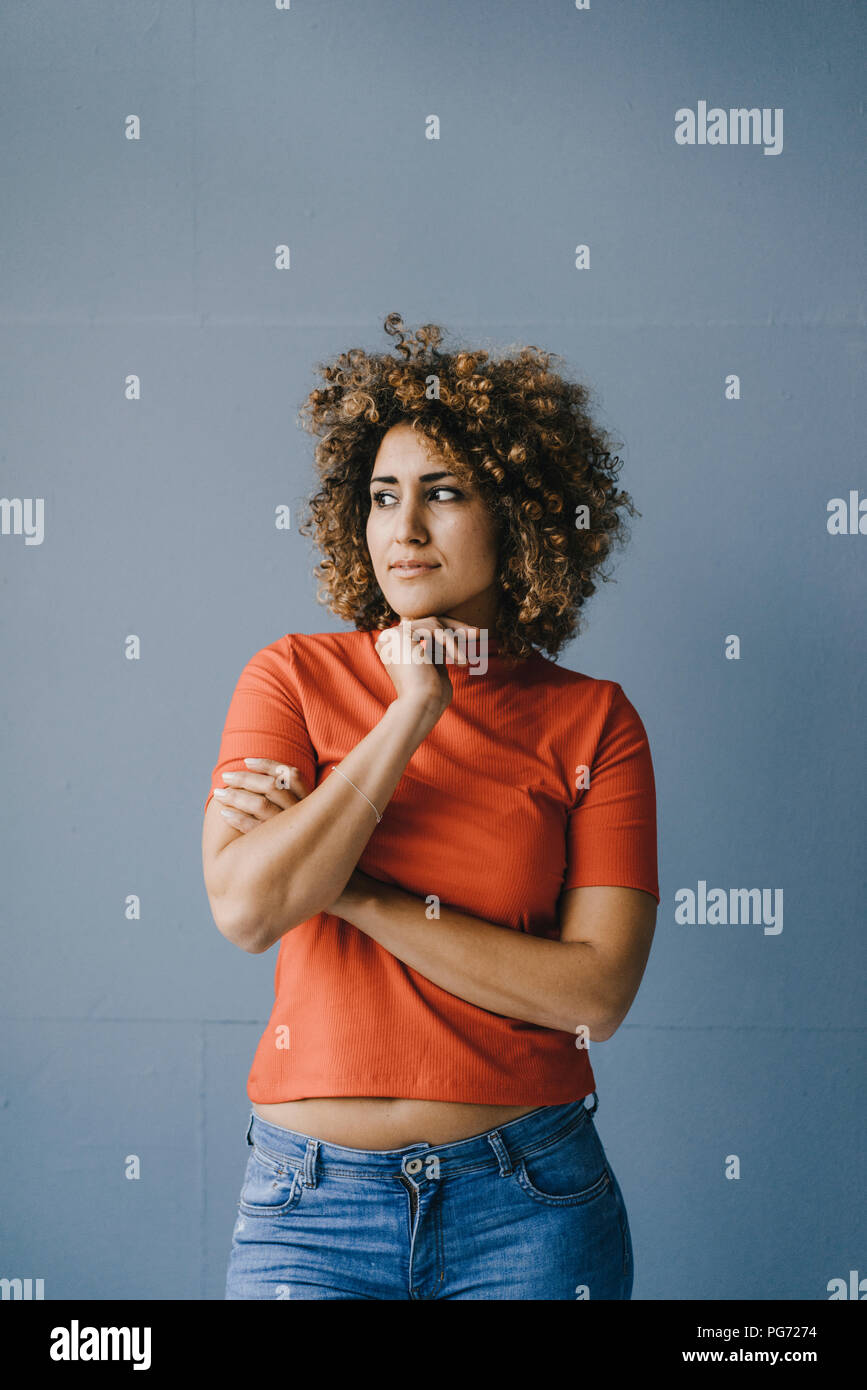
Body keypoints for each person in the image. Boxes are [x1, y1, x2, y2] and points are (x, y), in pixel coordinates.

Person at [202, 312, 660, 1299]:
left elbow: (594, 995)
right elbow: (247, 909)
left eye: (442, 495)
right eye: (381, 497)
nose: (402, 531)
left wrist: (349, 889)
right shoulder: (290, 677)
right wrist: (411, 710)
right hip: (308, 1206)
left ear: (519, 515)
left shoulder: (594, 722)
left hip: (530, 1202)